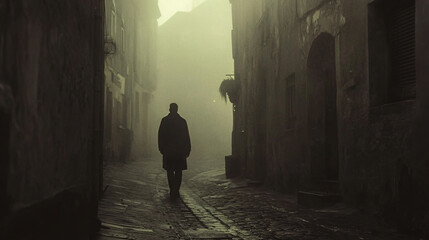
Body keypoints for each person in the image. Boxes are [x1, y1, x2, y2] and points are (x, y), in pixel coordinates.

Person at [158, 103, 191, 199]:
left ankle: (173, 189)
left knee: (170, 171)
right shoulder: (182, 121)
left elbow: (161, 136)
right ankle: (176, 189)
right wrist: (187, 148)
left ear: (169, 109)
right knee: (178, 171)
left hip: (169, 151)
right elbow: (186, 136)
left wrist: (161, 148)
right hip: (179, 151)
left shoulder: (165, 121)